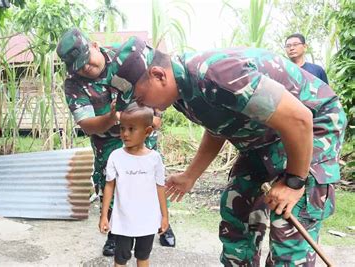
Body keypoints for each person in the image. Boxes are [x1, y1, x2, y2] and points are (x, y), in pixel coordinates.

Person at [109, 37, 347, 266]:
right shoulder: (179, 93)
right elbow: (217, 128)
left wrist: (294, 182)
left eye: (139, 98)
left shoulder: (218, 75)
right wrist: (190, 176)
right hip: (264, 137)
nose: (141, 106)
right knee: (237, 210)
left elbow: (299, 119)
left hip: (313, 127)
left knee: (288, 226)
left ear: (158, 75)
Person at [56, 28, 176, 256]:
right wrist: (111, 118)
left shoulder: (124, 57)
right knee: (110, 182)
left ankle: (163, 224)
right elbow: (87, 124)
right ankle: (114, 232)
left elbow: (156, 79)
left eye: (86, 60)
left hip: (143, 133)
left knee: (151, 179)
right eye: (78, 67)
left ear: (93, 45)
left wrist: (158, 115)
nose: (85, 68)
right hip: (107, 141)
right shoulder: (73, 84)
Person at [99, 104, 169, 267]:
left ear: (147, 132)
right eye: (122, 128)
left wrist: (164, 216)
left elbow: (160, 187)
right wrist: (104, 216)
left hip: (148, 220)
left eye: (131, 129)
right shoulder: (116, 156)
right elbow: (109, 186)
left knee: (143, 257)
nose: (125, 134)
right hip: (123, 220)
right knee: (120, 258)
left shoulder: (155, 159)